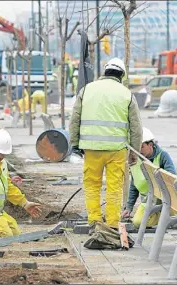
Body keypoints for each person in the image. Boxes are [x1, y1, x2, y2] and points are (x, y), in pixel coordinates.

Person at [69, 57, 143, 230]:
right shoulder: (126, 94)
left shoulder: (87, 90)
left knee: (92, 185)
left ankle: (94, 221)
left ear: (105, 72)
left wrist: (74, 144)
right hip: (116, 151)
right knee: (114, 187)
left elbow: (74, 119)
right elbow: (136, 128)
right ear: (122, 75)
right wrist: (134, 153)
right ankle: (111, 224)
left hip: (91, 149)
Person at [121, 128, 176, 228]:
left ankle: (169, 216)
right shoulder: (135, 160)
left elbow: (172, 178)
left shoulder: (163, 156)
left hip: (165, 200)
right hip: (147, 201)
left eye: (141, 147)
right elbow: (134, 186)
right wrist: (129, 208)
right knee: (138, 222)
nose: (138, 150)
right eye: (136, 147)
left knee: (143, 221)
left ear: (150, 145)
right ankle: (165, 219)